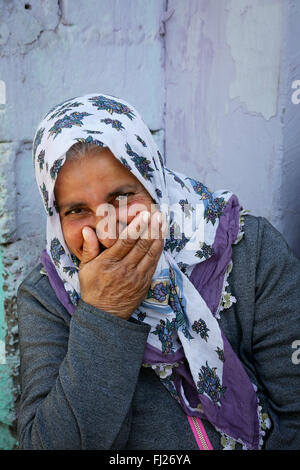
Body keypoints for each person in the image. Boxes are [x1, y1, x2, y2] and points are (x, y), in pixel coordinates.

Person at [17, 93, 300, 450]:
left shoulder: (246, 248)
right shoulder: (47, 298)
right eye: (76, 210)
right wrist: (103, 314)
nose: (106, 231)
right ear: (55, 216)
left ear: (153, 184)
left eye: (122, 195)